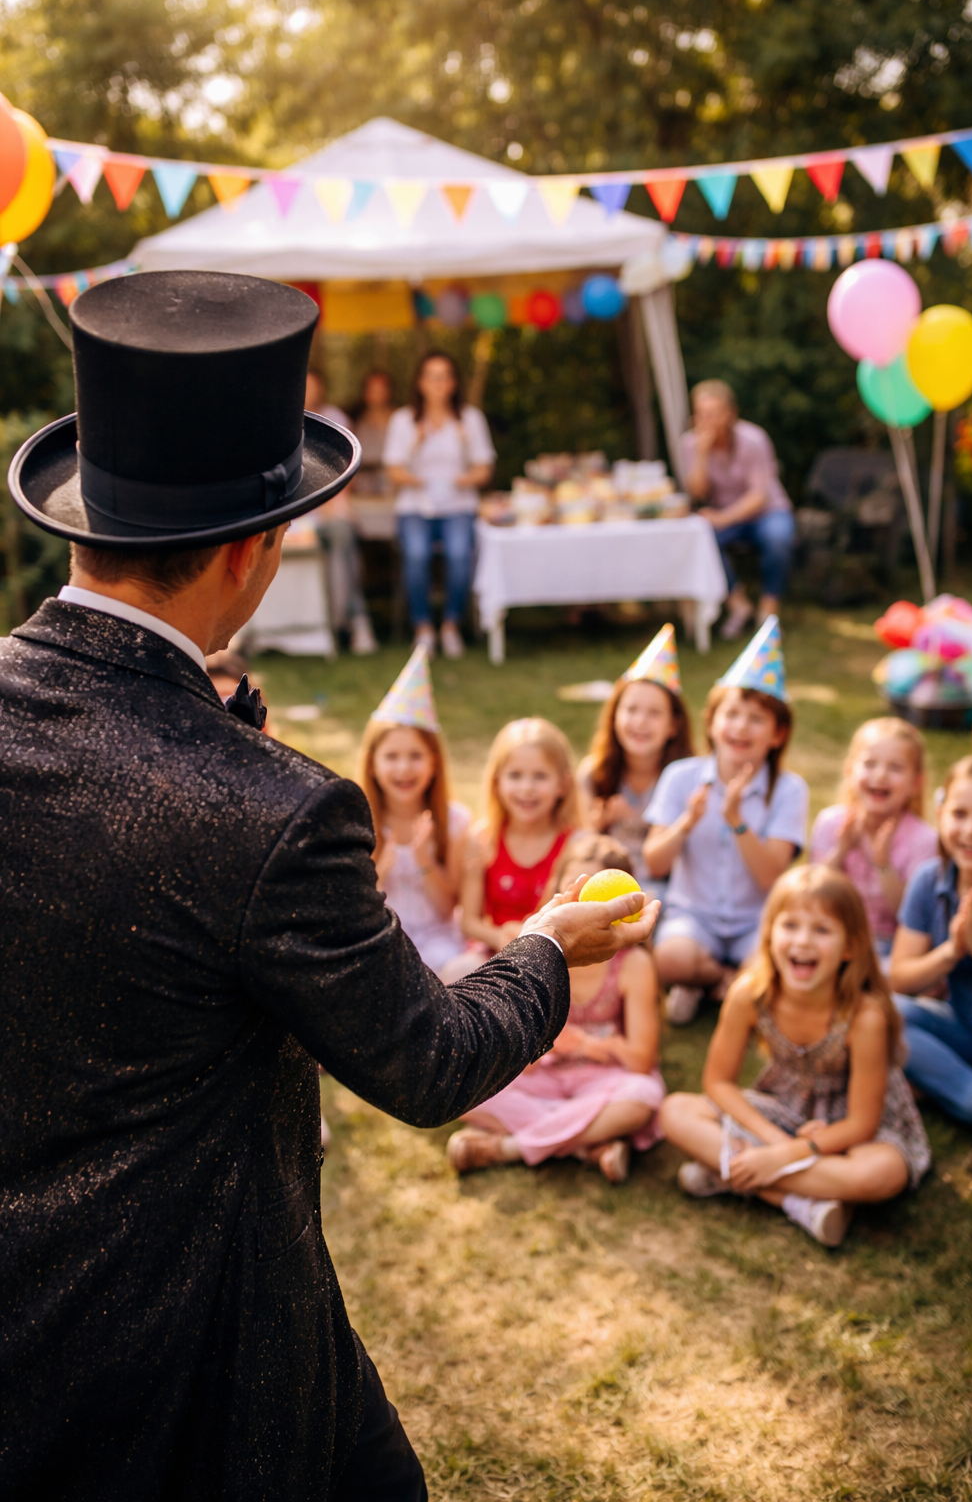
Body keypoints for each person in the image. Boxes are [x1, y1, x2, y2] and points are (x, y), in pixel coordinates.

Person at [0, 270, 660, 1501]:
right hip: (202, 1325)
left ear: (83, 519)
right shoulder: (277, 812)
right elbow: (430, 1060)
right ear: (251, 551)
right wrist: (546, 946)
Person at [661, 865, 931, 1248]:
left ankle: (726, 1173)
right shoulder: (749, 995)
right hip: (784, 1110)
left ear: (850, 946)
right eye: (790, 926)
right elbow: (718, 1083)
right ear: (769, 934)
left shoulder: (864, 1016)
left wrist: (786, 1156)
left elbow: (862, 1123)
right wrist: (775, 1144)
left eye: (822, 930)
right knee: (675, 1112)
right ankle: (800, 1202)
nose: (803, 941)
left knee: (881, 1173)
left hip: (852, 1128)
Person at [448, 834, 664, 1185]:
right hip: (541, 1077)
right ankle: (587, 1144)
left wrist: (586, 1044)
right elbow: (507, 1045)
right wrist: (543, 1045)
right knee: (462, 1083)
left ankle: (509, 1147)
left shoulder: (633, 963)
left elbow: (641, 1061)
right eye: (575, 889)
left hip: (604, 1078)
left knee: (642, 1096)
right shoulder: (534, 946)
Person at [643, 617, 808, 1026]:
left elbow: (771, 877)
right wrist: (686, 823)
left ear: (777, 734)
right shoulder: (681, 777)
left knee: (780, 965)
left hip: (757, 920)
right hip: (693, 918)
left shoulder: (790, 790)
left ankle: (710, 985)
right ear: (712, 723)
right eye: (731, 714)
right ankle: (720, 981)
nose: (740, 727)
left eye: (757, 719)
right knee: (670, 958)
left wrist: (736, 821)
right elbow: (655, 863)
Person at [891, 755, 972, 1164]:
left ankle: (971, 1103)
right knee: (879, 1014)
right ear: (940, 814)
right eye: (959, 814)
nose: (970, 831)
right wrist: (950, 951)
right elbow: (900, 978)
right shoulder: (928, 879)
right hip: (961, 1028)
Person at [357, 645, 469, 974]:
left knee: (457, 970)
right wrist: (382, 868)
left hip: (439, 941)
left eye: (415, 756)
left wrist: (423, 858)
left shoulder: (455, 821)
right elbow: (356, 907)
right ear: (373, 764)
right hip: (379, 939)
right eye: (392, 757)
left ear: (434, 763)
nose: (404, 768)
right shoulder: (358, 821)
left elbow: (448, 908)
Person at [445, 717, 579, 979]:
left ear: (562, 785)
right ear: (497, 783)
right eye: (515, 776)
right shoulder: (482, 840)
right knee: (455, 972)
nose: (527, 788)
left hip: (554, 955)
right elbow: (468, 921)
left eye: (540, 776)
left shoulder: (574, 844)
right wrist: (498, 936)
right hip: (495, 950)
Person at [383, 350, 495, 661]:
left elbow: (484, 469)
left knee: (460, 554)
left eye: (444, 377)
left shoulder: (469, 419)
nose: (438, 384)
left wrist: (461, 478)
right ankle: (423, 628)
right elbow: (393, 471)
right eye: (432, 377)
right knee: (416, 555)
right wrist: (417, 449)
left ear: (454, 383)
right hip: (415, 505)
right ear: (420, 382)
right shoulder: (404, 420)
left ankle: (450, 625)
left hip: (458, 504)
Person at [577, 623, 693, 899]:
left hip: (669, 892)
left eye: (654, 713)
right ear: (614, 716)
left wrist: (635, 820)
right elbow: (580, 848)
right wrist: (597, 824)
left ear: (673, 725)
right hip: (604, 887)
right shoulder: (593, 774)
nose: (640, 721)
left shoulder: (686, 779)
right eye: (631, 710)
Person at [810, 718, 936, 966]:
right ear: (850, 771)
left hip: (891, 947)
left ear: (915, 783)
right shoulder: (831, 823)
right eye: (869, 764)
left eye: (895, 768)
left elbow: (910, 916)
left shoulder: (924, 839)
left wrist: (883, 864)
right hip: (833, 939)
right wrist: (840, 851)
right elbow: (811, 896)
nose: (880, 775)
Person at [679, 379, 795, 640]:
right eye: (702, 414)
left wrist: (723, 518)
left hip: (766, 511)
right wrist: (701, 454)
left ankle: (768, 610)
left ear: (731, 413)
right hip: (726, 516)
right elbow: (697, 493)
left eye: (714, 413)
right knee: (701, 539)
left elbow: (759, 496)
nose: (708, 421)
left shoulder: (753, 439)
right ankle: (738, 604)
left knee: (778, 537)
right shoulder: (690, 443)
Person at [305, 366, 378, 655]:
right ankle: (356, 622)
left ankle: (343, 620)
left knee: (342, 537)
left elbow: (349, 472)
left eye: (313, 386)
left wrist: (331, 505)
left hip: (331, 509)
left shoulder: (335, 420)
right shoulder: (280, 419)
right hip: (293, 518)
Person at [350, 366, 396, 497]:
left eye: (380, 389)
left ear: (389, 391)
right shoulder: (356, 423)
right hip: (362, 493)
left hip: (393, 492)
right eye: (372, 389)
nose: (376, 394)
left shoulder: (401, 420)